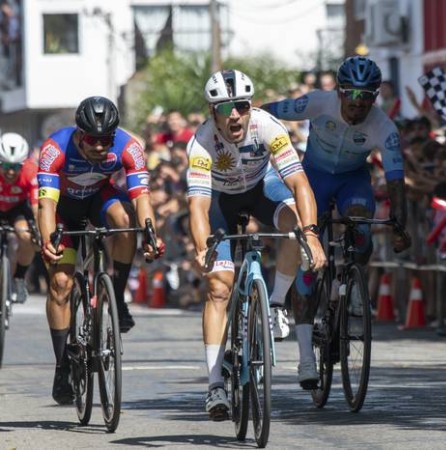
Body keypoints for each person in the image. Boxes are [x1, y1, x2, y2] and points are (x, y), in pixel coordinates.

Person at [262, 55, 411, 389]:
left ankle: (352, 286)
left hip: (352, 180)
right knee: (308, 261)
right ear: (339, 93)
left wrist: (402, 224)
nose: (357, 106)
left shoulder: (384, 127)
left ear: (375, 98)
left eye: (366, 99)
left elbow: (397, 179)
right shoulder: (318, 102)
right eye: (351, 97)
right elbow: (268, 112)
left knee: (361, 222)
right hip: (313, 176)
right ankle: (304, 359)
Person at [185, 69, 326, 421]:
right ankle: (215, 384)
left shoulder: (268, 127)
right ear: (212, 110)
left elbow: (300, 184)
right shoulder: (201, 142)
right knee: (219, 287)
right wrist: (203, 246)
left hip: (263, 188)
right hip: (221, 200)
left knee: (294, 226)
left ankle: (276, 302)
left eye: (242, 106)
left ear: (250, 107)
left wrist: (310, 233)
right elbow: (198, 206)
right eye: (224, 107)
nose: (234, 115)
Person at [37, 96, 165, 405]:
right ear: (79, 134)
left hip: (98, 198)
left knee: (124, 220)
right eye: (92, 140)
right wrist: (47, 239)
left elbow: (141, 197)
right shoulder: (55, 149)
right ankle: (62, 365)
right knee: (62, 283)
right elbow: (46, 204)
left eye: (105, 139)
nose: (99, 146)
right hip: (62, 209)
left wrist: (151, 234)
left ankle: (117, 298)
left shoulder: (128, 147)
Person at [0, 132, 38, 303]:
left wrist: (39, 231)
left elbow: (37, 207)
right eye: (6, 165)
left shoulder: (31, 171)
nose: (10, 171)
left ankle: (19, 278)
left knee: (27, 236)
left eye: (15, 167)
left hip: (17, 210)